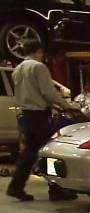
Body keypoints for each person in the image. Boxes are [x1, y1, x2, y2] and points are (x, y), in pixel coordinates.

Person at [5, 40, 79, 202]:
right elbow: (48, 92)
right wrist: (66, 105)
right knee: (51, 151)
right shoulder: (38, 67)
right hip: (39, 115)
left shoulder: (18, 69)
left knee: (29, 153)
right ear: (39, 51)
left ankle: (16, 187)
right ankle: (56, 188)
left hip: (26, 114)